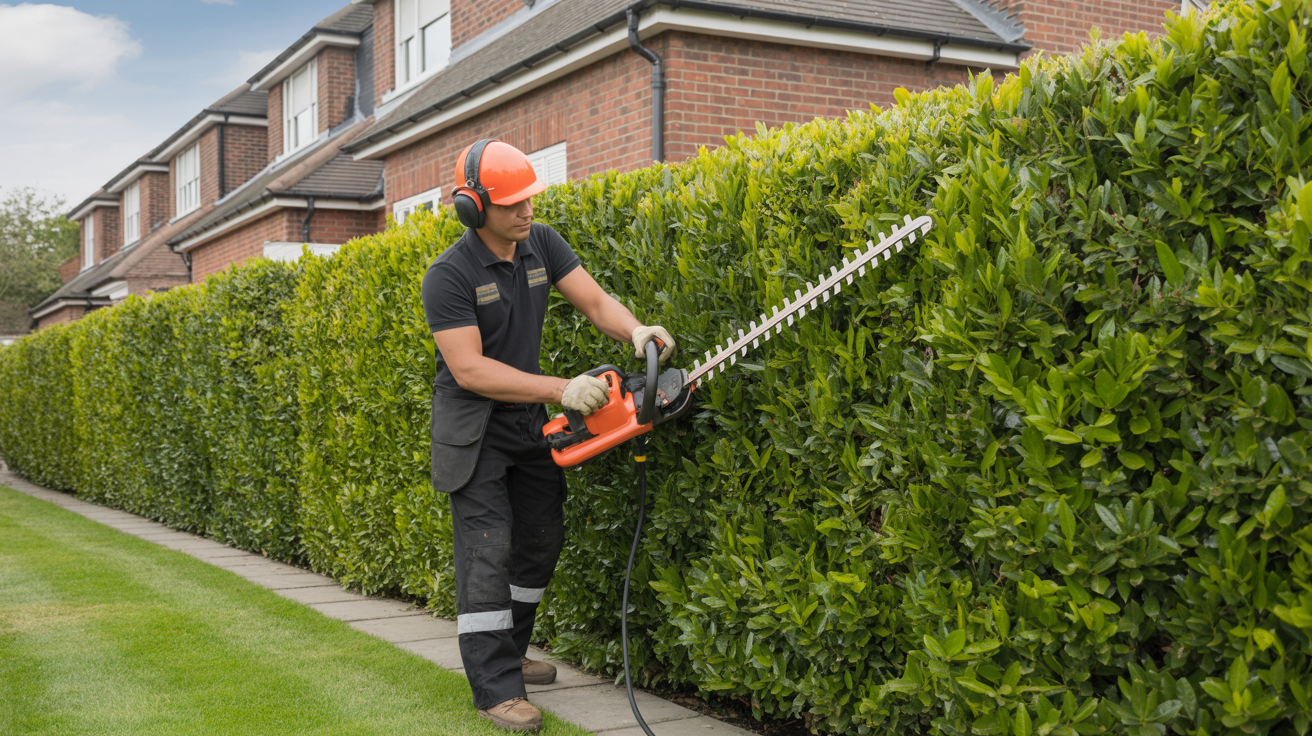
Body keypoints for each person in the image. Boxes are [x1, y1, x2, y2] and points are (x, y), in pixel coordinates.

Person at [421, 139, 675, 732]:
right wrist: (561, 388)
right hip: (474, 427)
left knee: (540, 538)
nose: (526, 211)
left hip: (528, 421)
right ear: (472, 207)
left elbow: (592, 300)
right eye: (512, 203)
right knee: (488, 549)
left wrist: (635, 331)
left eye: (530, 198)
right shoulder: (449, 276)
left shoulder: (542, 243)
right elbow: (470, 370)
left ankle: (510, 651)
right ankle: (494, 689)